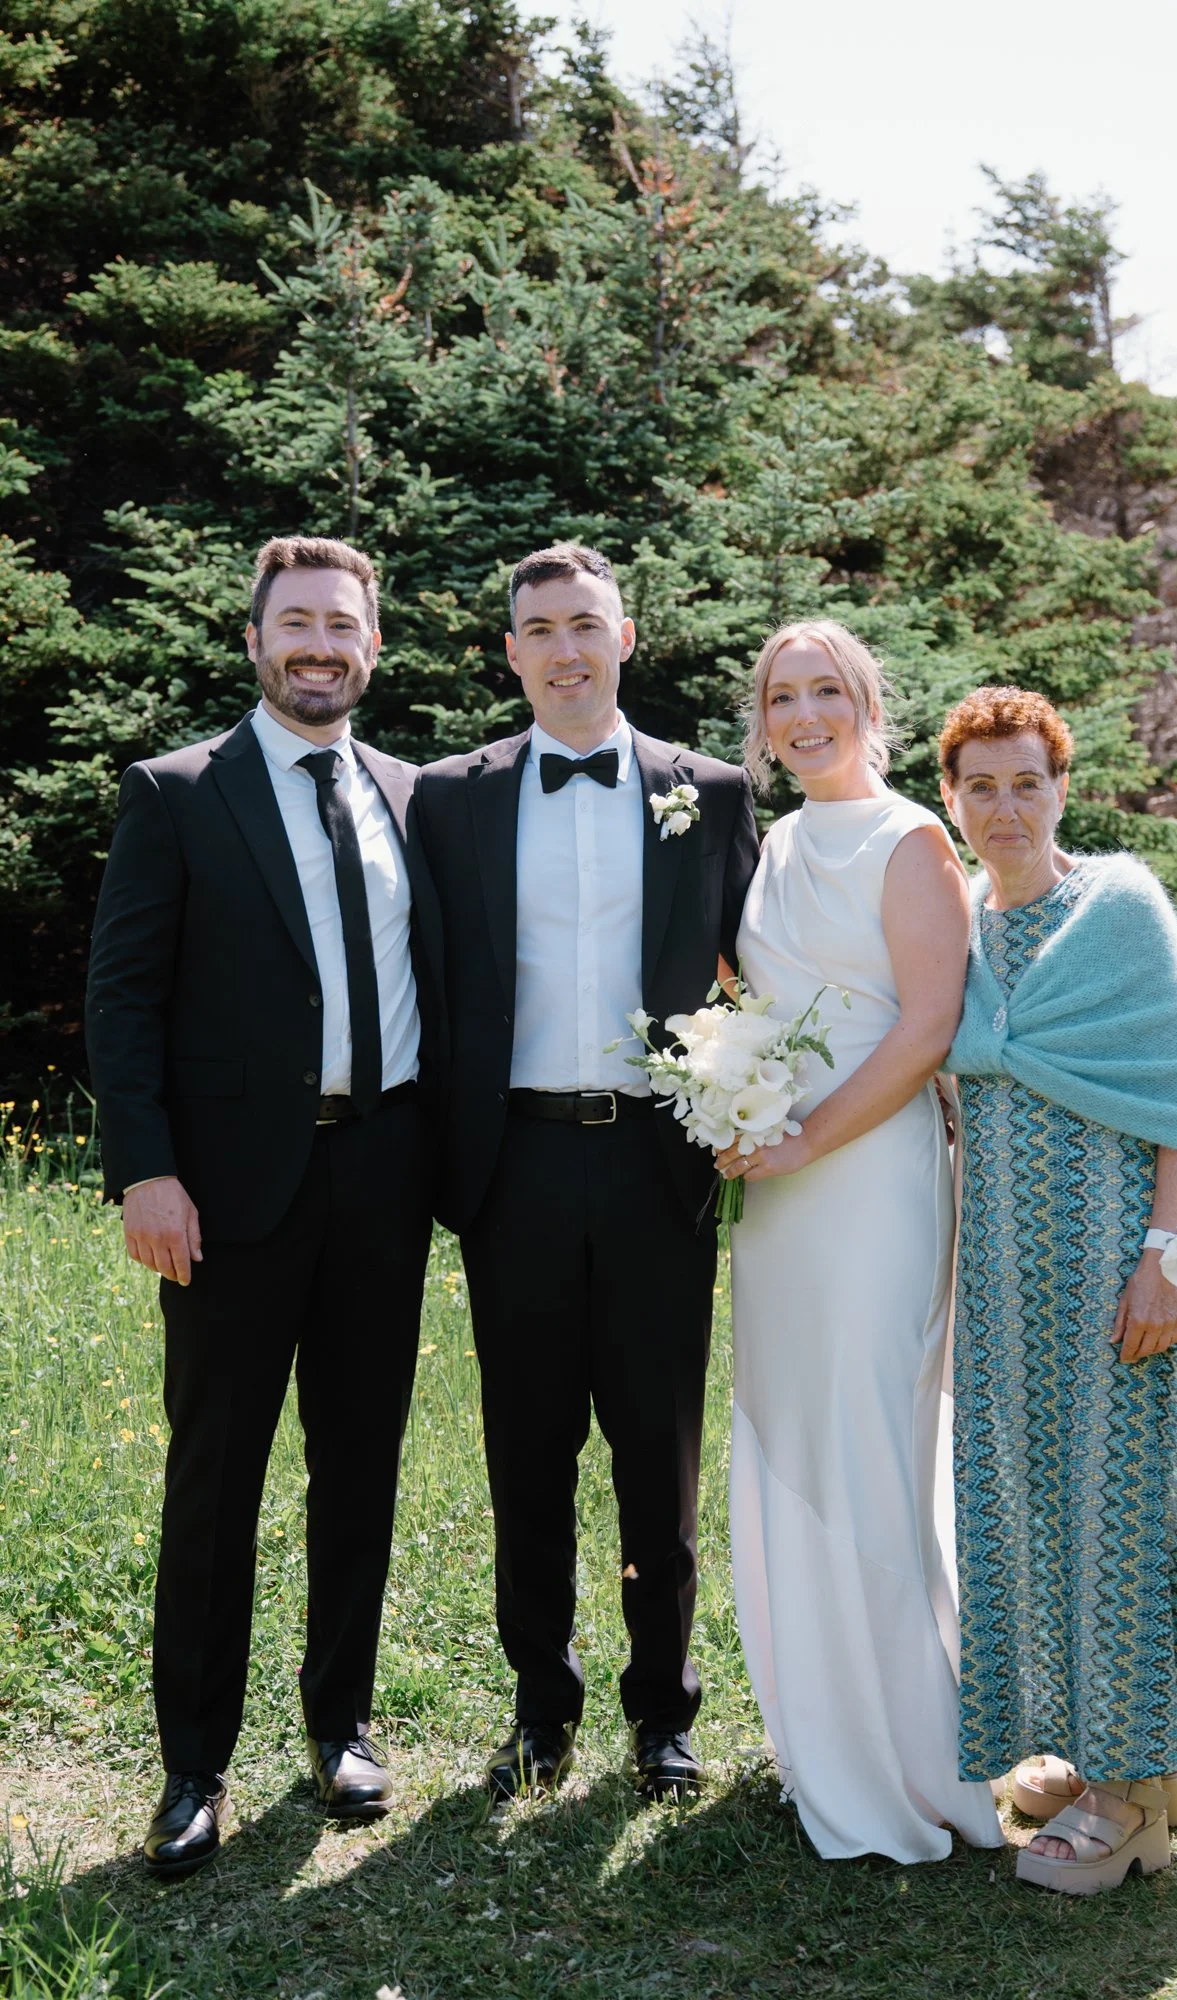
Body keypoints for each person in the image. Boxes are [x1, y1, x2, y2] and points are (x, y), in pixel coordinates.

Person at [85, 536, 445, 1877]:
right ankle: (193, 1766)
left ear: (371, 644)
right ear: (253, 640)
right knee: (215, 1476)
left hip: (382, 1181)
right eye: (295, 622)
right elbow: (123, 995)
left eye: (340, 625)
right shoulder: (178, 791)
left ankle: (340, 1726)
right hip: (226, 1194)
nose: (318, 646)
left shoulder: (411, 795)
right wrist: (146, 1168)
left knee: (359, 1467)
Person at [415, 543, 758, 1801]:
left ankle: (663, 1711)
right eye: (541, 629)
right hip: (511, 1165)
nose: (565, 650)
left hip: (657, 1165)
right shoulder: (446, 798)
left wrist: (755, 1103)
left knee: (656, 1454)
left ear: (625, 637)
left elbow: (760, 970)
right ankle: (540, 1707)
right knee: (527, 1450)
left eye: (585, 625)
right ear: (510, 652)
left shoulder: (707, 791)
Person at [938, 683, 1177, 1895]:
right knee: (1035, 1514)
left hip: (1115, 1272)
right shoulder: (955, 924)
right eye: (981, 786)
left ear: (1061, 788)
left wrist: (1160, 1261)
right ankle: (1118, 1756)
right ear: (950, 799)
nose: (1005, 807)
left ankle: (1126, 1806)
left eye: (1026, 782)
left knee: (1121, 1515)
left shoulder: (1118, 905)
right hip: (999, 1284)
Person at [714, 620, 1003, 1862]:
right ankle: (819, 1735)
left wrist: (806, 1139)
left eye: (825, 689)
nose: (803, 713)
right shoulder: (775, 843)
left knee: (870, 1441)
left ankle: (914, 1755)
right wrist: (723, 1088)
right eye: (782, 695)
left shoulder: (908, 838)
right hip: (778, 1192)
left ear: (866, 704)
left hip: (870, 1176)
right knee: (791, 1435)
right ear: (762, 720)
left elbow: (926, 1024)